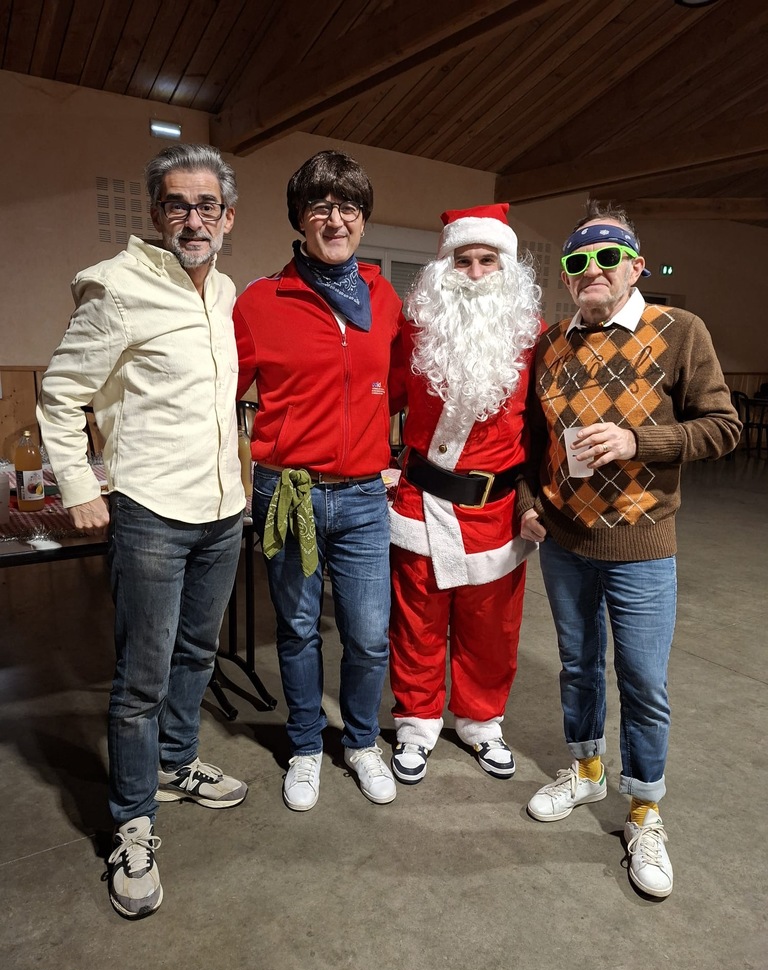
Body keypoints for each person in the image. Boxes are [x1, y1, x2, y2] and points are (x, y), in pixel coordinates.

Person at [37, 144, 247, 919]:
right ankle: (133, 820)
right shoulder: (119, 287)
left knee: (197, 655)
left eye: (206, 206)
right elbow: (60, 396)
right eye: (177, 205)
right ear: (157, 213)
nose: (193, 219)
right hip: (152, 514)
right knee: (140, 681)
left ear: (228, 218)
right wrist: (79, 486)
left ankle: (176, 762)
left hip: (222, 513)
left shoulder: (223, 289)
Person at [517, 201, 741, 898]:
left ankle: (643, 810)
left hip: (642, 547)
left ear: (635, 267)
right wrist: (529, 504)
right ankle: (587, 772)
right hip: (564, 542)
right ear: (567, 275)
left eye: (607, 257)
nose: (593, 270)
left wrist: (637, 440)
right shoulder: (551, 344)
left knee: (642, 681)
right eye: (578, 260)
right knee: (578, 665)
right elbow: (533, 443)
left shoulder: (679, 331)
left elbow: (724, 427)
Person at [234, 150, 402, 812]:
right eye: (320, 207)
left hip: (363, 495)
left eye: (349, 207)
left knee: (368, 634)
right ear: (299, 219)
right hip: (289, 492)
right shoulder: (261, 300)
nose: (336, 220)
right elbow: (222, 394)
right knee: (299, 627)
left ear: (363, 219)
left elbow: (404, 384)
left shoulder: (383, 298)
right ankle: (305, 745)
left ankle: (361, 742)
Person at [387, 204, 541, 784]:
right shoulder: (415, 329)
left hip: (496, 510)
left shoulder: (533, 337)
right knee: (416, 626)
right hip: (420, 503)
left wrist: (535, 501)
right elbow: (381, 399)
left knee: (491, 631)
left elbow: (544, 431)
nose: (475, 273)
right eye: (463, 260)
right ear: (443, 267)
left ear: (507, 268)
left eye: (487, 260)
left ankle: (482, 723)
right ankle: (416, 724)